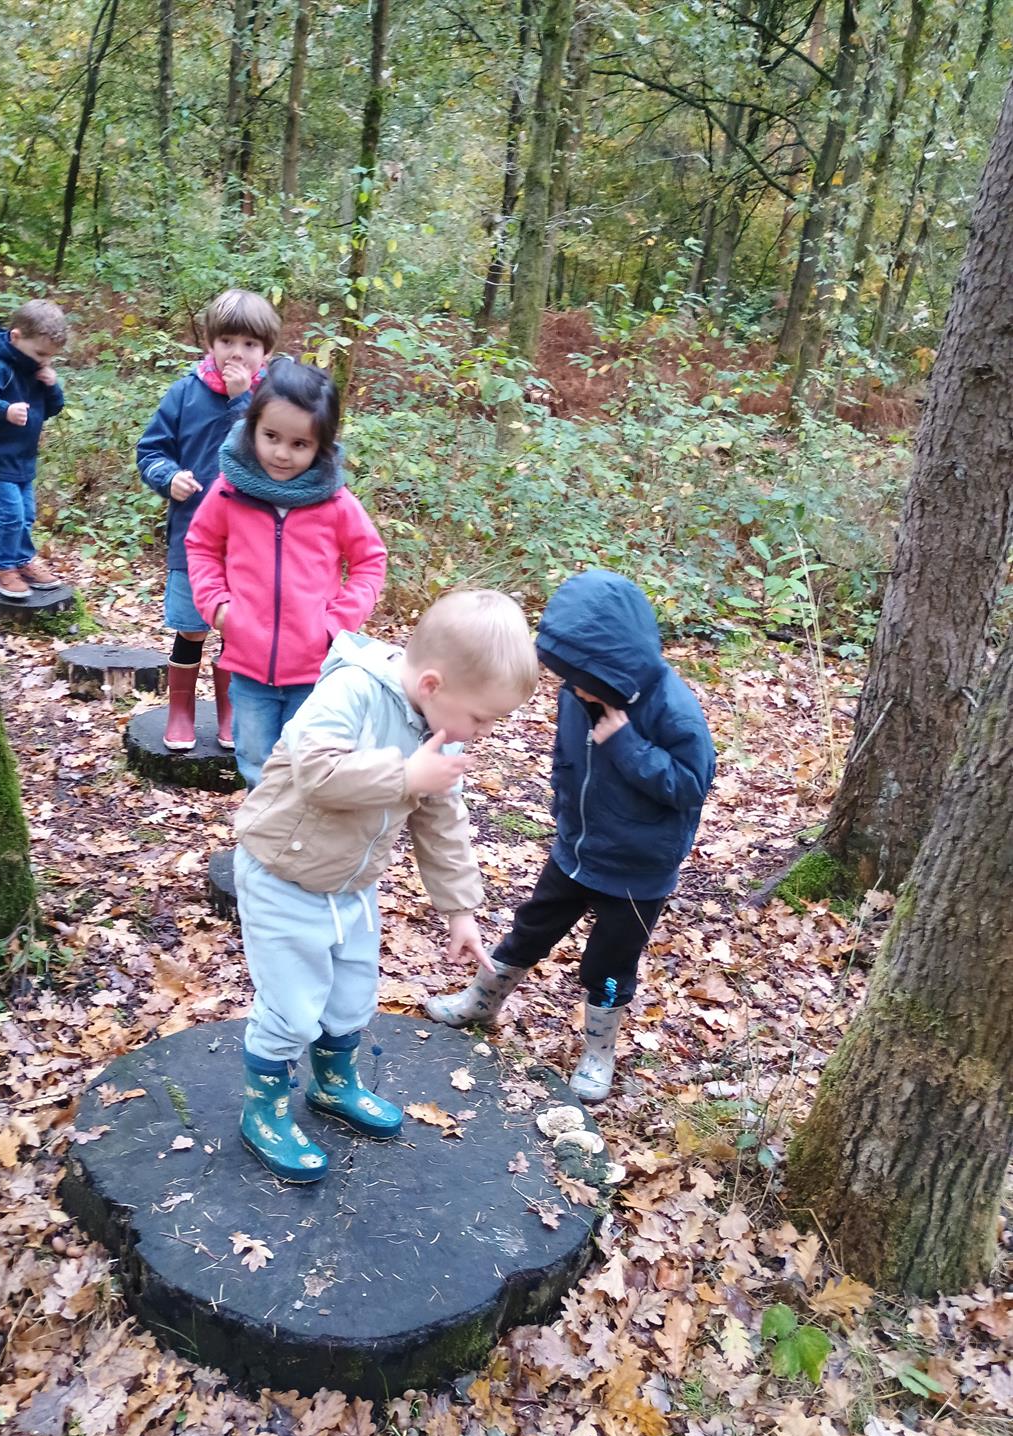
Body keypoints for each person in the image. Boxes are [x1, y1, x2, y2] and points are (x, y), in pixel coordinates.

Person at [233, 591, 539, 1182]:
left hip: (353, 885)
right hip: (282, 877)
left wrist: (459, 909)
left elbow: (441, 818)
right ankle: (262, 1111)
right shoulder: (351, 691)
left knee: (351, 999)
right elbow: (316, 772)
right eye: (482, 718)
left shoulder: (439, 725)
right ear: (432, 684)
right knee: (291, 1011)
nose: (483, 732)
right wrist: (404, 774)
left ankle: (332, 1085)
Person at [426, 570, 716, 1103]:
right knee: (529, 928)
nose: (574, 687)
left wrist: (626, 744)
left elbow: (690, 786)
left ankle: (599, 1049)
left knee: (609, 964)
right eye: (567, 675)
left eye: (583, 677)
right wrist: (564, 811)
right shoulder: (577, 694)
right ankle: (483, 1001)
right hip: (576, 851)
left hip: (636, 872)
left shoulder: (672, 710)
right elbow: (566, 758)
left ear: (616, 666)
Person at [186, 358, 387, 789]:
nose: (281, 453)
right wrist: (217, 606)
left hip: (315, 669)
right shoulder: (229, 491)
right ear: (253, 427)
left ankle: (302, 833)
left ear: (321, 446)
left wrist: (336, 624)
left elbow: (370, 560)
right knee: (255, 760)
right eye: (271, 436)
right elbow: (201, 546)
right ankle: (262, 829)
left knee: (307, 766)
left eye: (299, 444)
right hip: (248, 666)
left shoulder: (335, 503)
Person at [136, 289, 281, 752]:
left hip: (252, 541)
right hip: (192, 535)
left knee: (237, 627)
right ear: (210, 344)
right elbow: (151, 450)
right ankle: (180, 712)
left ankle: (230, 712)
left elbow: (270, 457)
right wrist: (168, 477)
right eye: (227, 342)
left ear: (266, 353)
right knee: (192, 625)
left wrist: (242, 401)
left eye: (250, 344)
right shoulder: (185, 392)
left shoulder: (272, 400)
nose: (237, 353)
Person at [0, 299, 68, 600]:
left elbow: (53, 408)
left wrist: (52, 385)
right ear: (16, 337)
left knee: (26, 514)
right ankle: (1, 568)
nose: (44, 361)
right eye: (40, 354)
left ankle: (22, 560)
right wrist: (5, 409)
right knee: (11, 513)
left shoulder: (35, 368)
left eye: (50, 357)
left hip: (22, 457)